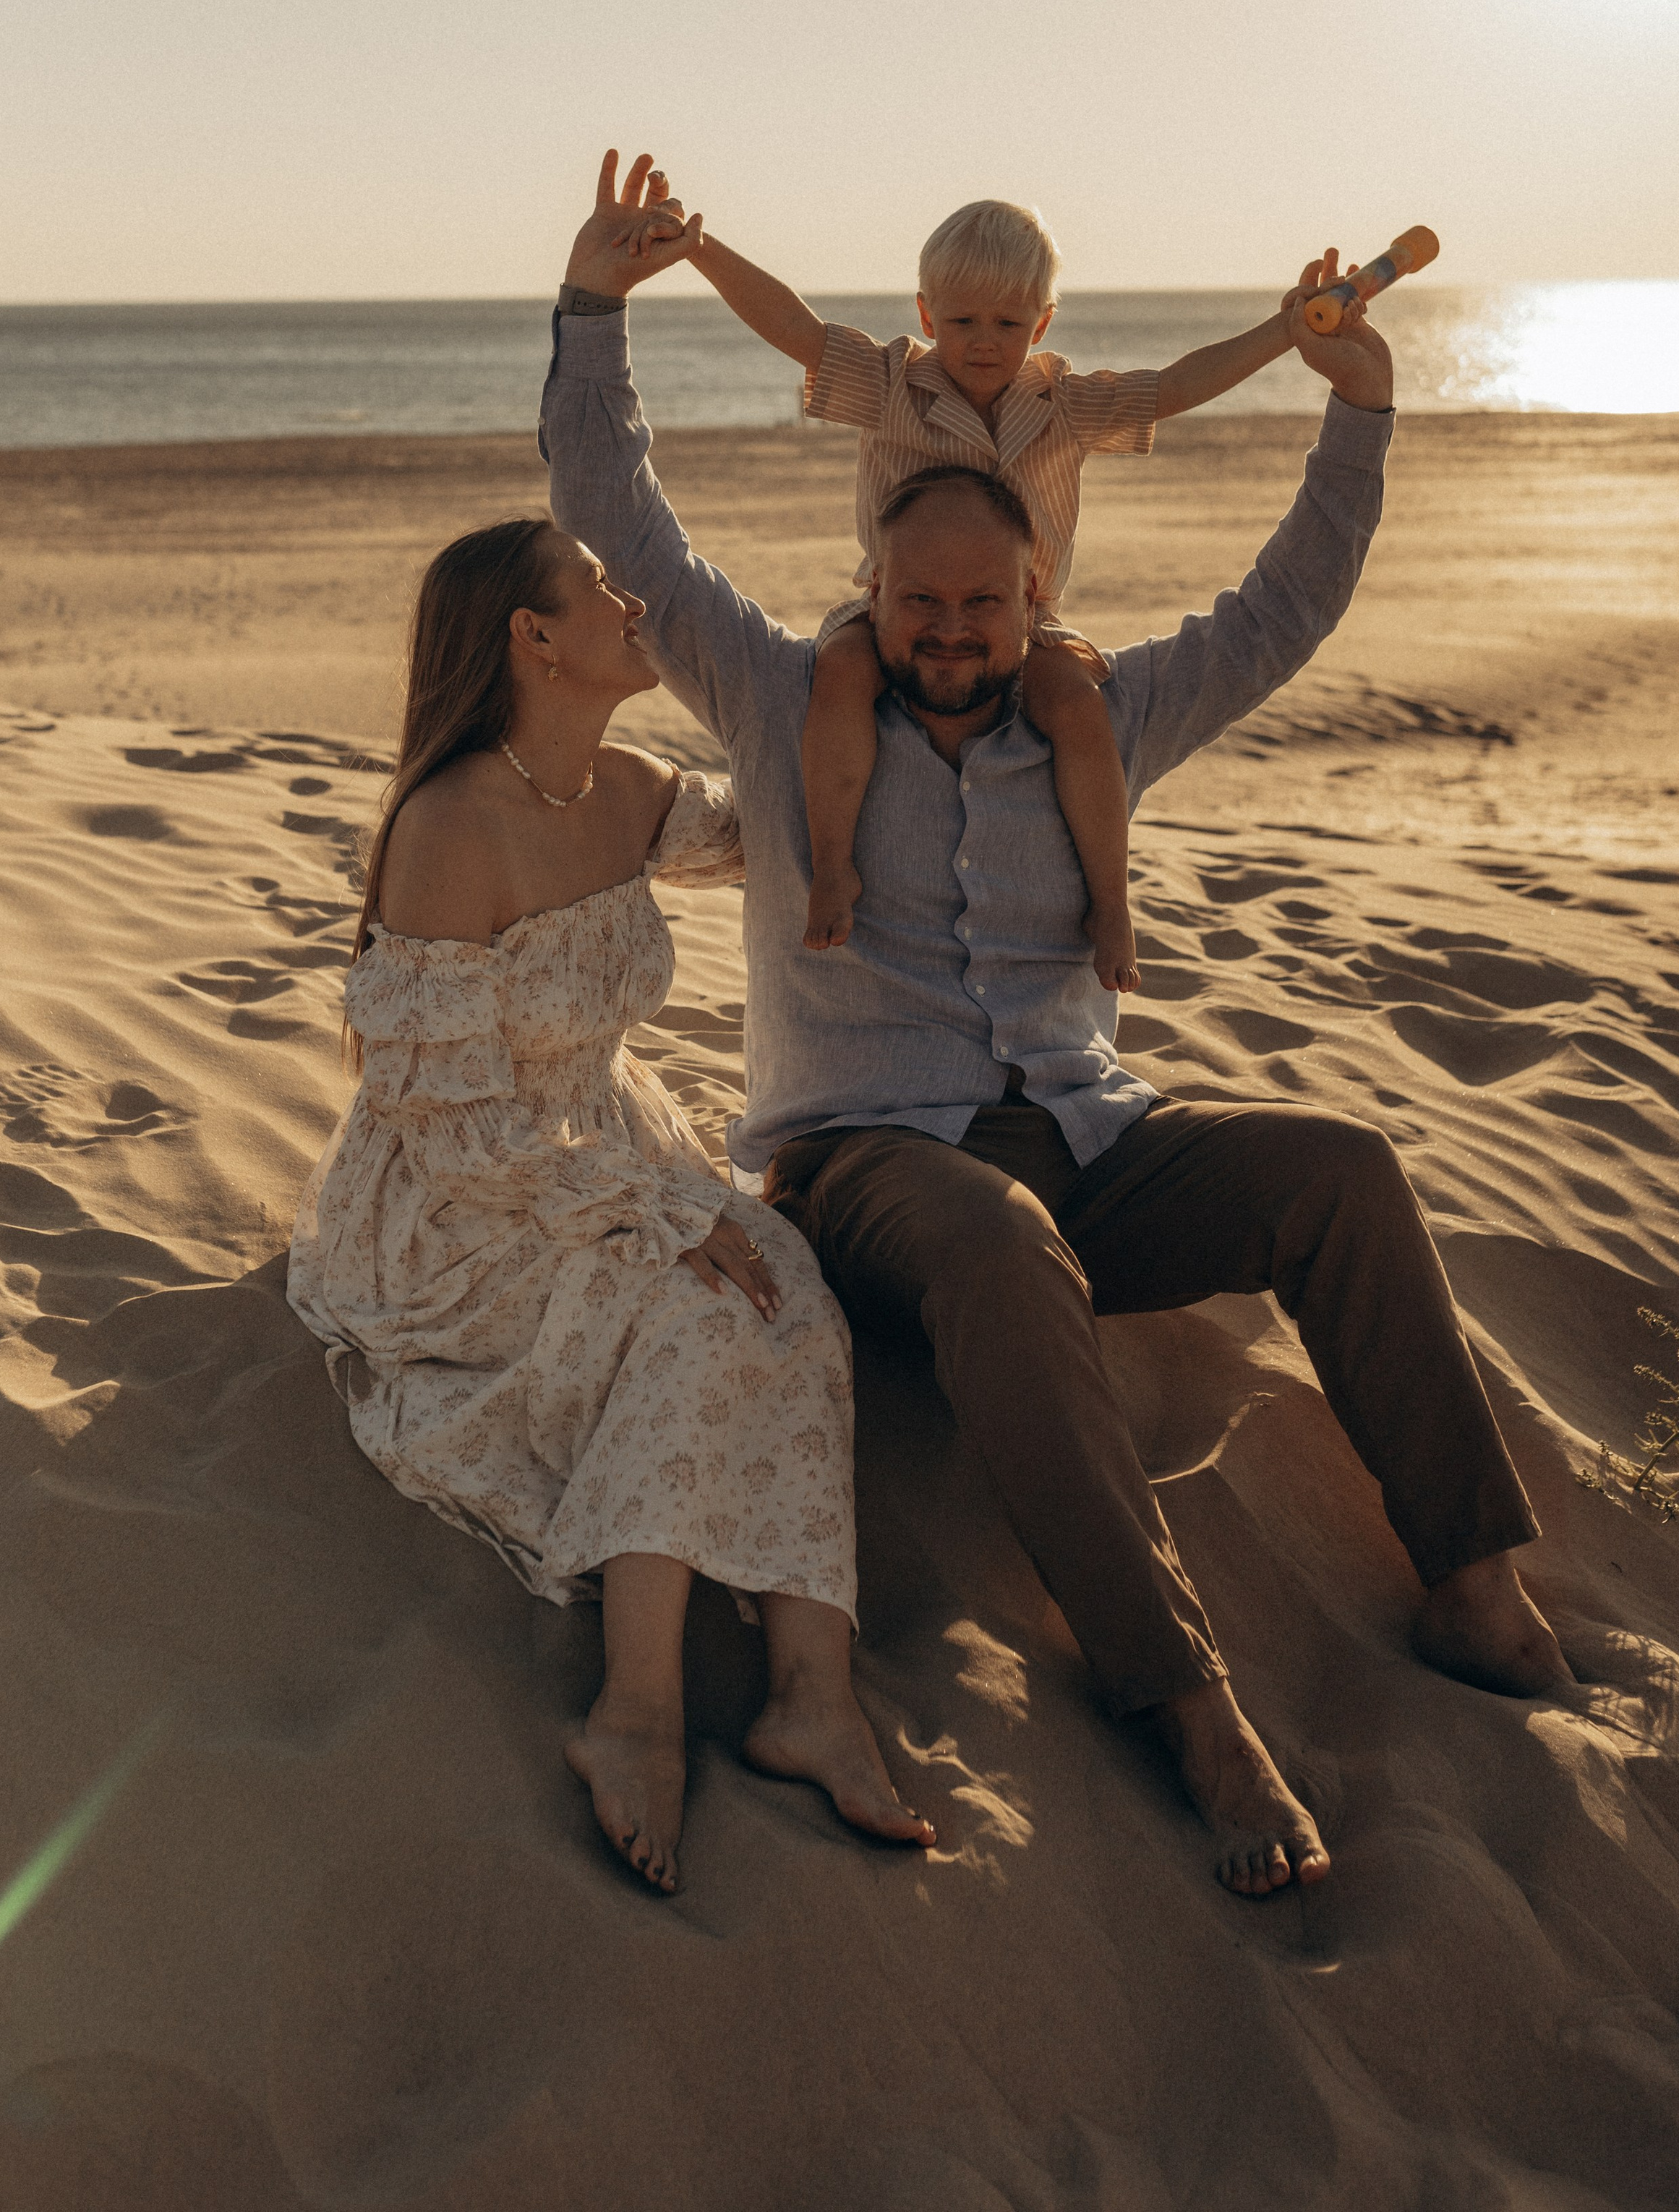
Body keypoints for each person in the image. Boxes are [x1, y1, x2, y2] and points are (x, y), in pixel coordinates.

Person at [542, 150, 1572, 1903]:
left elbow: (1282, 611)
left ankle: (1468, 1570)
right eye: (919, 604)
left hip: (1089, 1133)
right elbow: (612, 506)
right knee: (1001, 1245)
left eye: (983, 607)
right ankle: (1182, 1698)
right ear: (873, 587)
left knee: (1336, 1168)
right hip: (872, 1161)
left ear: (1034, 605)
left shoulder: (1095, 718)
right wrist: (590, 306)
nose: (949, 633)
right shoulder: (779, 693)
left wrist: (1357, 411)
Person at [288, 512, 934, 1895]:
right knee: (691, 1314)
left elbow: (775, 834)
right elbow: (445, 1123)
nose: (631, 600)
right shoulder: (449, 825)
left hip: (606, 1144)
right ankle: (635, 1708)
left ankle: (812, 1694)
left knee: (793, 1290)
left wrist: (861, 662)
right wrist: (649, 1215)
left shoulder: (629, 785)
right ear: (533, 638)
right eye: (598, 587)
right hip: (463, 1198)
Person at [683, 195, 1299, 988]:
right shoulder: (888, 385)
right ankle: (834, 867)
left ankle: (1111, 902)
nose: (982, 342)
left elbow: (1175, 386)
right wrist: (701, 251)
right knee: (836, 674)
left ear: (1040, 325)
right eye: (962, 321)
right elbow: (794, 329)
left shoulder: (1063, 406)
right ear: (925, 311)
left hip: (1024, 623)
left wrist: (1285, 330)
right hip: (888, 613)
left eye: (1007, 325)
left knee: (1076, 707)